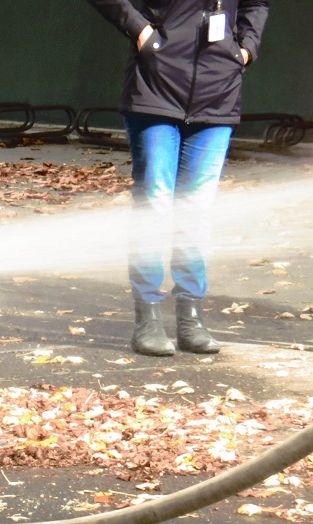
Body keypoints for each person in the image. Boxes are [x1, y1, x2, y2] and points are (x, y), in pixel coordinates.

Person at [84, 0, 269, 356]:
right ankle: (148, 320)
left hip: (219, 89)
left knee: (196, 209)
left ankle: (191, 317)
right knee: (154, 202)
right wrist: (142, 31)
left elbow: (257, 3)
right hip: (156, 85)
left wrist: (246, 48)